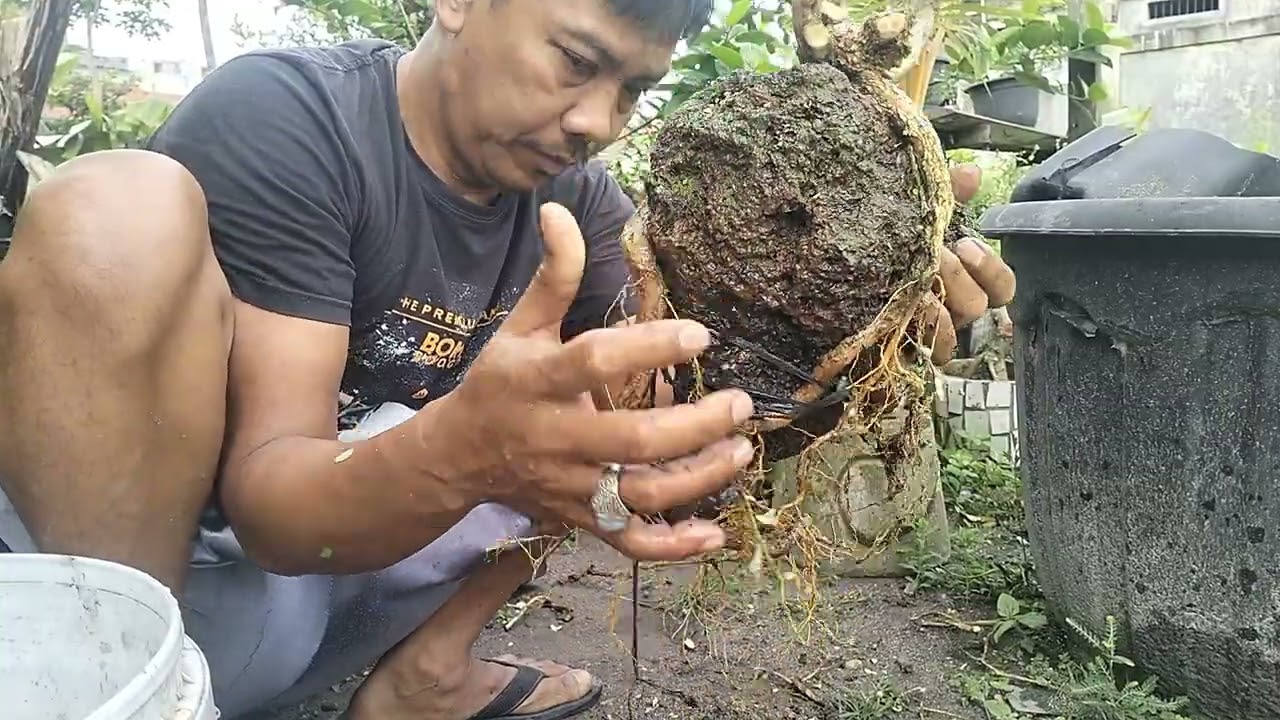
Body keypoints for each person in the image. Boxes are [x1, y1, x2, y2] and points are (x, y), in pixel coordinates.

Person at [0, 1, 1015, 718]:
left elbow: (688, 415)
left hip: (328, 603)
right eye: (574, 61)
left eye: (631, 89)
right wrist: (471, 452)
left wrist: (853, 327)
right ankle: (122, 697)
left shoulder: (576, 204)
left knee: (589, 392)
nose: (595, 122)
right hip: (161, 593)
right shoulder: (289, 119)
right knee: (113, 210)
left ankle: (426, 678)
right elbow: (269, 506)